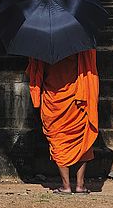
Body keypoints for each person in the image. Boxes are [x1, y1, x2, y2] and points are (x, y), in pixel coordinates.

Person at [26, 49, 99, 194]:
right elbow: (89, 69)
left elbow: (36, 73)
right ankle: (80, 185)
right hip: (78, 98)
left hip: (54, 99)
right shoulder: (81, 45)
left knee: (58, 139)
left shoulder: (42, 46)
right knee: (81, 140)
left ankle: (66, 186)